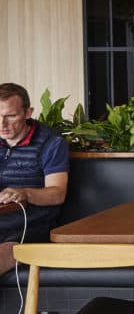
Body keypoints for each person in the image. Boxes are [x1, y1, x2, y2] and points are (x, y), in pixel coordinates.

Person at [0, 83, 70, 275]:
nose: (2, 124)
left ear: (28, 112)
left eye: (11, 116)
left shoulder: (51, 143)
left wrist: (25, 193)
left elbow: (57, 194)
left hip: (29, 228)